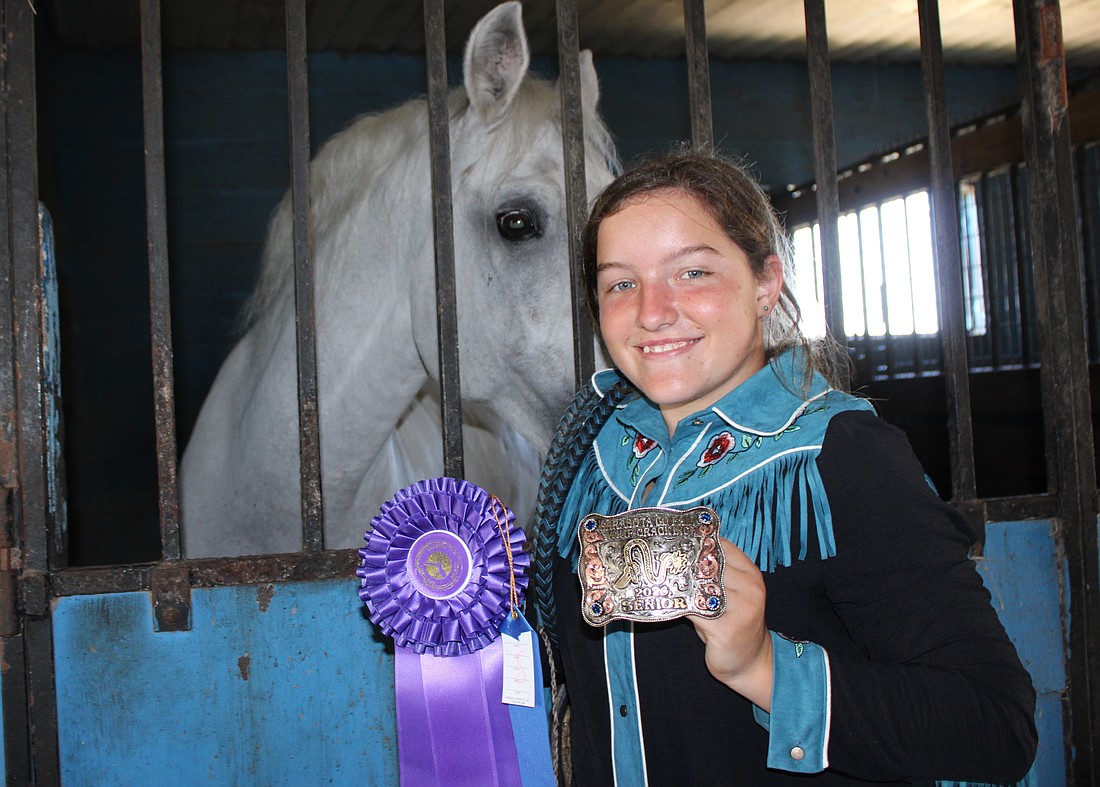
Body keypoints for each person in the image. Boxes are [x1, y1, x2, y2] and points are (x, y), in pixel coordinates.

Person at [533, 148, 1037, 785]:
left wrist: (762, 666)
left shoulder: (841, 452)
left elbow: (995, 728)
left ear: (766, 283)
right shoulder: (588, 454)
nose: (652, 311)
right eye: (620, 283)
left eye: (691, 273)